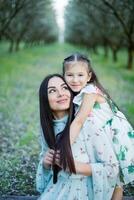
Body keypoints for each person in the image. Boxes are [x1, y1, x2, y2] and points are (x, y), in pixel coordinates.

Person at [62, 53, 134, 200]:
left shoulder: (90, 92)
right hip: (102, 137)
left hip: (114, 137)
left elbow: (79, 121)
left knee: (115, 179)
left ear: (89, 76)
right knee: (112, 179)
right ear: (64, 75)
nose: (75, 80)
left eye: (80, 75)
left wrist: (64, 147)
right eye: (70, 75)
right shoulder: (78, 93)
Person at [36, 74, 119, 200]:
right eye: (52, 91)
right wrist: (46, 164)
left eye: (64, 87)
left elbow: (112, 169)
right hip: (57, 190)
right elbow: (44, 180)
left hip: (86, 191)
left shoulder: (88, 122)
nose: (61, 93)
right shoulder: (47, 128)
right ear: (44, 99)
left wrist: (77, 167)